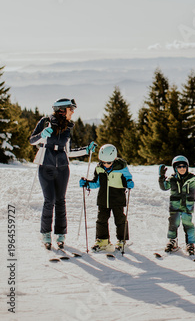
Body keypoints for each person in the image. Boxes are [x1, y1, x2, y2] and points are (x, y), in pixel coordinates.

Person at [29, 98, 96, 250]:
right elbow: (32, 140)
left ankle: (60, 235)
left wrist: (86, 150)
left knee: (60, 200)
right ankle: (46, 234)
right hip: (46, 165)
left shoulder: (67, 127)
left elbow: (68, 152)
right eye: (71, 109)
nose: (73, 112)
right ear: (62, 110)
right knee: (49, 199)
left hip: (62, 168)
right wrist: (42, 135)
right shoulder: (45, 121)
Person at [80, 144, 134, 252]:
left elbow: (128, 178)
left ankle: (121, 240)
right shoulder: (99, 168)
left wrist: (129, 182)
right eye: (103, 162)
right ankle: (103, 240)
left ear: (114, 159)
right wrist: (87, 183)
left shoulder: (121, 168)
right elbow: (96, 183)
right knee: (101, 220)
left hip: (117, 198)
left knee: (120, 219)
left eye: (108, 162)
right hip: (103, 199)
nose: (106, 164)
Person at [159, 155, 195, 256]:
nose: (182, 169)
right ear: (175, 168)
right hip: (175, 205)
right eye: (179, 167)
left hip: (187, 205)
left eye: (184, 166)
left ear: (187, 167)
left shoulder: (192, 178)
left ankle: (190, 243)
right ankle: (173, 240)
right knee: (173, 223)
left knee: (188, 224)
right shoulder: (172, 179)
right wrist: (161, 177)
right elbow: (164, 187)